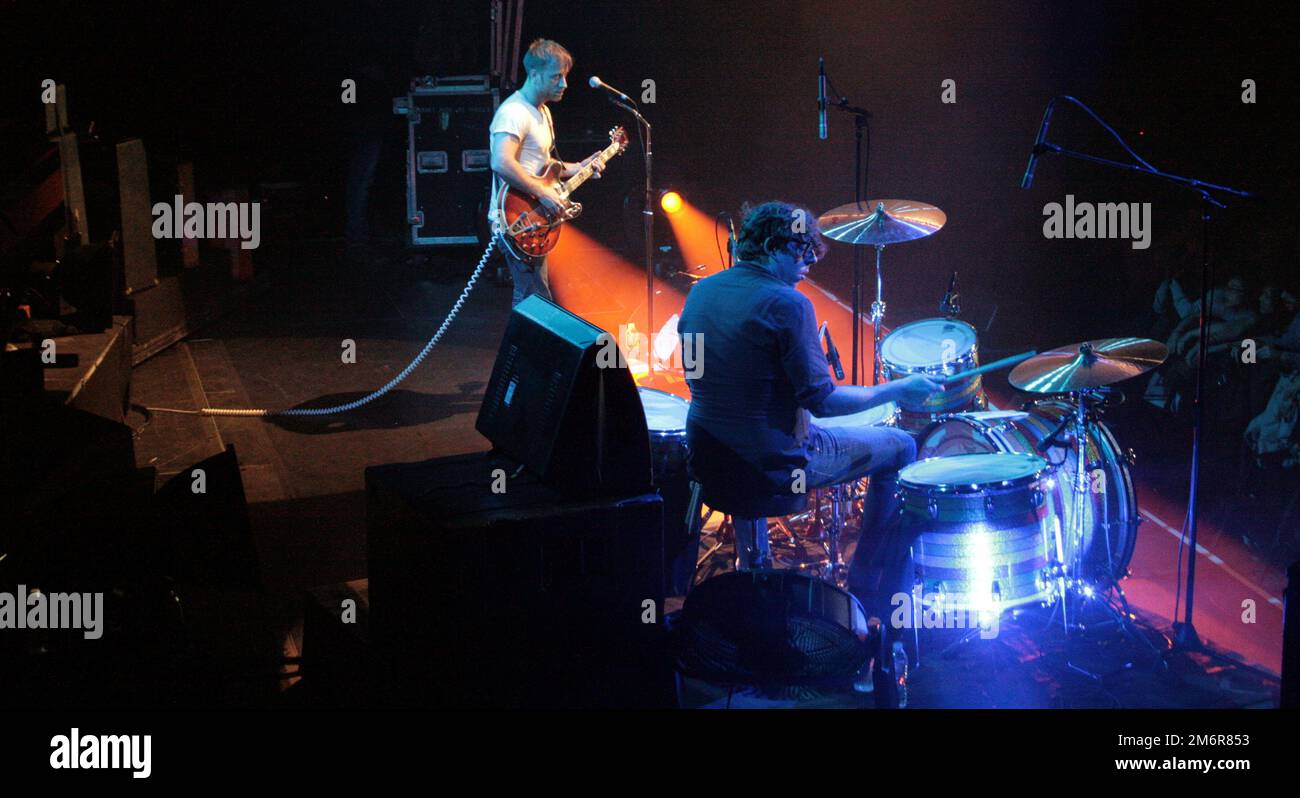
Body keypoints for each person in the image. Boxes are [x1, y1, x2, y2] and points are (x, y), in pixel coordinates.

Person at [677, 200, 943, 705]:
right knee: (902, 446)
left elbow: (705, 375)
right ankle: (868, 592)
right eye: (802, 254)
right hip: (775, 464)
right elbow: (823, 399)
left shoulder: (702, 290)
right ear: (775, 247)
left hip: (709, 455)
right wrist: (895, 390)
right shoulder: (788, 304)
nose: (808, 267)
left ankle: (758, 568)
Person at [488, 39, 605, 307]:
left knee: (534, 300)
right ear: (534, 74)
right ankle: (523, 349)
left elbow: (543, 166)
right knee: (535, 303)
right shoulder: (513, 112)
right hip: (515, 220)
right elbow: (501, 161)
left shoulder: (543, 113)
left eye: (564, 76)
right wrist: (542, 193)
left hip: (533, 218)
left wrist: (579, 167)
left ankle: (526, 349)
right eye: (556, 77)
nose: (563, 84)